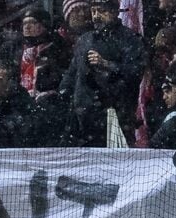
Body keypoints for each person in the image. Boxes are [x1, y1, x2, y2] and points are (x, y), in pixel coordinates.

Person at [59, 0, 144, 147]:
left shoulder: (130, 39)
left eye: (102, 11)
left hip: (116, 113)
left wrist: (107, 64)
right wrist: (63, 91)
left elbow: (134, 73)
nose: (96, 16)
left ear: (115, 12)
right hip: (83, 114)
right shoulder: (85, 39)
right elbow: (73, 71)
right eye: (93, 11)